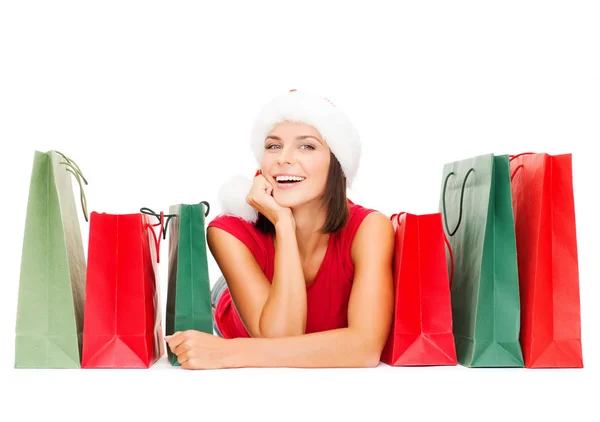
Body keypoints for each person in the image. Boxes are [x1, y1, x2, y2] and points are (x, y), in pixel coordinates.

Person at [165, 89, 395, 369]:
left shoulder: (370, 228)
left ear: (337, 163)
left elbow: (365, 349)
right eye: (273, 146)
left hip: (244, 337)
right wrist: (283, 224)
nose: (283, 159)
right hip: (234, 302)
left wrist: (228, 353)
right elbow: (282, 336)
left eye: (306, 146)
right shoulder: (228, 231)